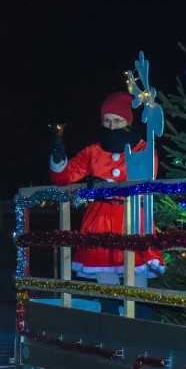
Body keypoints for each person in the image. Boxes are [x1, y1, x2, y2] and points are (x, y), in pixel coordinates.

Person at [49, 91, 164, 285]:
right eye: (107, 121)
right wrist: (58, 161)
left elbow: (145, 180)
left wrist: (106, 187)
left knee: (136, 277)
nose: (112, 126)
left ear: (127, 122)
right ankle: (107, 312)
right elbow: (66, 177)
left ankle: (137, 313)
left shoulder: (144, 150)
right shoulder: (93, 151)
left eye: (117, 120)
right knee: (104, 276)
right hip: (100, 220)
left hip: (133, 218)